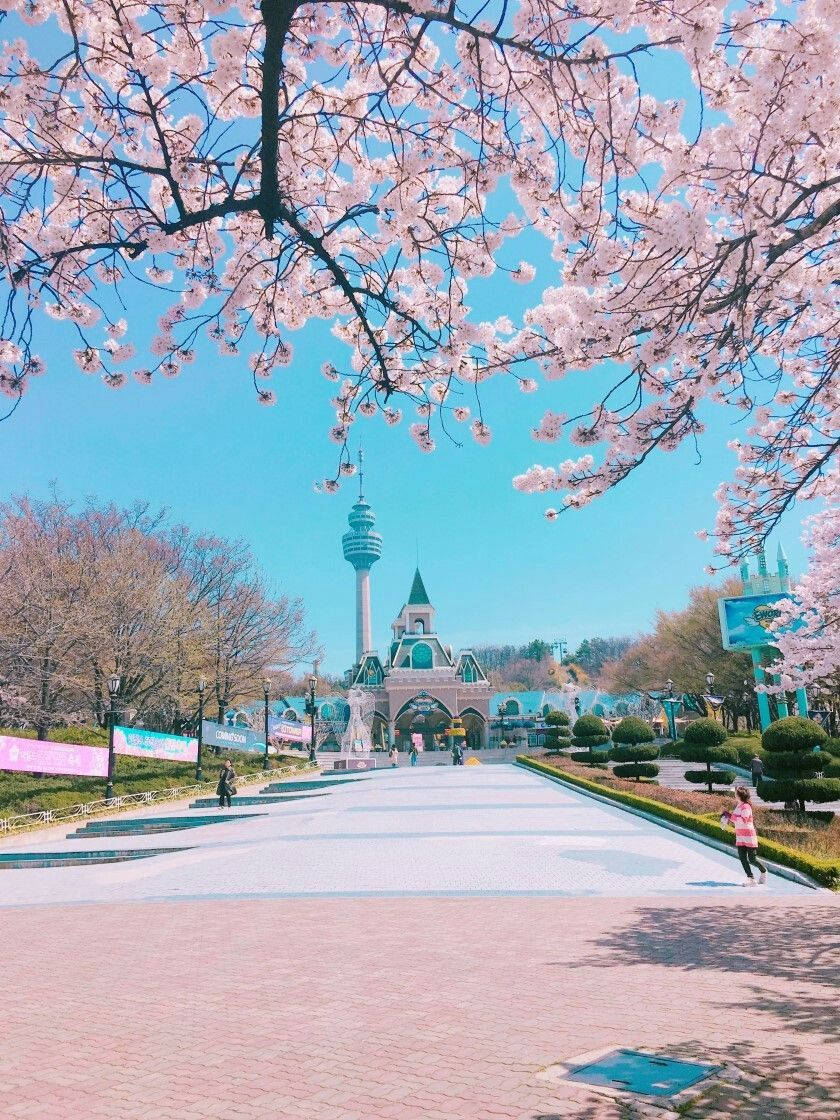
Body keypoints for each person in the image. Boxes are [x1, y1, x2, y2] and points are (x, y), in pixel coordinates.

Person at [721, 785, 767, 886]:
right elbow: (736, 819)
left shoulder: (746, 807)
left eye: (736, 793)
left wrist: (730, 816)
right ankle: (751, 879)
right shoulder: (738, 806)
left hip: (749, 836)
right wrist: (727, 816)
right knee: (742, 858)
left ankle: (763, 870)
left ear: (739, 795)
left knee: (752, 859)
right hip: (740, 836)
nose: (734, 794)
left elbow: (743, 820)